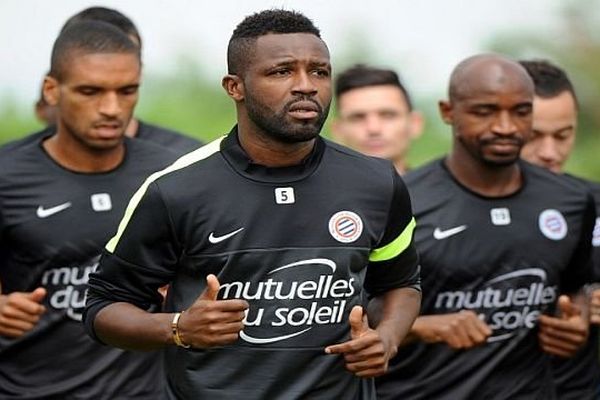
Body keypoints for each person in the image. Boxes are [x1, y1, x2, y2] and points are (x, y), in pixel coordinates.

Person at [83, 9, 422, 400]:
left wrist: (387, 338)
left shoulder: (376, 182)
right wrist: (178, 327)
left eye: (319, 72)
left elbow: (401, 284)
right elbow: (103, 308)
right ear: (235, 87)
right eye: (282, 72)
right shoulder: (175, 189)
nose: (306, 86)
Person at [375, 54, 595, 399]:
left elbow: (577, 284)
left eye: (521, 112)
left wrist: (576, 319)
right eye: (485, 112)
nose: (505, 127)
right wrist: (423, 326)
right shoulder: (402, 201)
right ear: (448, 112)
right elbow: (356, 311)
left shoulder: (571, 200)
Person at [0, 21, 179, 399]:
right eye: (90, 92)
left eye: (127, 91)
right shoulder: (7, 175)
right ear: (52, 90)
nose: (112, 109)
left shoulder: (173, 174)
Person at [5, 6, 202, 156]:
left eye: (125, 56)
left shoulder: (184, 160)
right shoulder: (11, 168)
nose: (111, 69)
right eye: (90, 89)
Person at [520, 59, 600, 400]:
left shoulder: (593, 202)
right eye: (535, 136)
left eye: (563, 135)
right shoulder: (443, 207)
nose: (550, 152)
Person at [332, 64, 423, 174]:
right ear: (337, 130)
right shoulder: (310, 191)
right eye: (358, 117)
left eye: (388, 115)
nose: (373, 129)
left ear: (415, 124)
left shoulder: (444, 190)